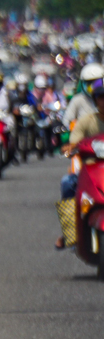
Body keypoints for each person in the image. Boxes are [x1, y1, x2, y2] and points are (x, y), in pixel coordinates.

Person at [57, 78, 104, 249]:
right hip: (91, 171)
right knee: (67, 183)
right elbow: (74, 141)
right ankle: (69, 232)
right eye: (101, 97)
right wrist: (71, 147)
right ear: (95, 100)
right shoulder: (86, 121)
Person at [64, 63, 103, 127]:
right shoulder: (78, 100)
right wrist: (74, 126)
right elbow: (67, 120)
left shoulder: (102, 98)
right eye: (89, 82)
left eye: (96, 81)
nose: (92, 86)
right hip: (84, 135)